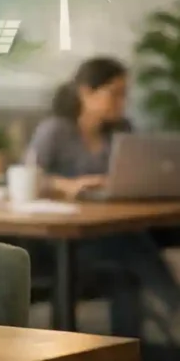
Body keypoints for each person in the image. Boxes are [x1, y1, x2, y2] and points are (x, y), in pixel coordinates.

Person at [28, 57, 180, 337]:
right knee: (133, 246)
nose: (121, 102)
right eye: (115, 93)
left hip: (109, 227)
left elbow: (135, 173)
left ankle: (139, 341)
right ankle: (174, 309)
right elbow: (30, 176)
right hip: (65, 237)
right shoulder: (55, 130)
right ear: (86, 92)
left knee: (128, 254)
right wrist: (69, 186)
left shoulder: (121, 132)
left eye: (125, 94)